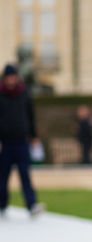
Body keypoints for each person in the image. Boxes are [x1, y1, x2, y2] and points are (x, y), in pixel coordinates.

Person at [0, 63, 44, 217]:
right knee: (2, 176)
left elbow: (30, 115)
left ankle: (31, 205)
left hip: (21, 141)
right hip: (5, 143)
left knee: (25, 174)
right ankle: (2, 205)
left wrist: (34, 136)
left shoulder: (24, 93)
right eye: (8, 77)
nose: (11, 80)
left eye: (13, 77)